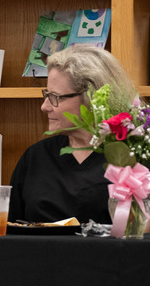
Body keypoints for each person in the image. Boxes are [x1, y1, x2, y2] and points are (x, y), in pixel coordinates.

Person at [9, 44, 138, 224]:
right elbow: (12, 231)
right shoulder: (35, 157)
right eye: (46, 94)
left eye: (55, 97)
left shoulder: (132, 156)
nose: (44, 106)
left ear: (91, 97)